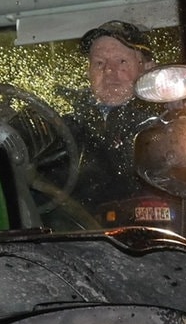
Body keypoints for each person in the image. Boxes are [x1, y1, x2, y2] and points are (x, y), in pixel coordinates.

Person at [62, 20, 160, 216]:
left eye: (121, 61)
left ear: (147, 68)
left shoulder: (164, 127)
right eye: (99, 63)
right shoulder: (65, 128)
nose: (108, 70)